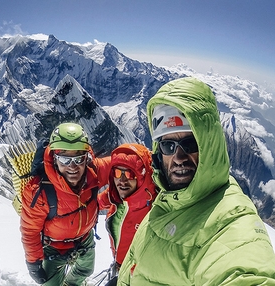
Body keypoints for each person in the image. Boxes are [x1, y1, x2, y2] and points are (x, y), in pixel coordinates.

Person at [118, 77, 275, 285]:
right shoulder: (168, 199)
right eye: (168, 146)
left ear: (209, 146)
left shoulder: (231, 223)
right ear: (158, 152)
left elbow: (242, 268)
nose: (179, 157)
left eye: (190, 143)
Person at [20, 122, 110, 286]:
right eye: (64, 160)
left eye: (78, 159)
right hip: (53, 247)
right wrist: (33, 262)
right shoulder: (38, 191)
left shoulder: (93, 171)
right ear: (54, 159)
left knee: (85, 271)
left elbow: (122, 162)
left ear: (86, 158)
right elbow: (30, 230)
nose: (73, 167)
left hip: (84, 239)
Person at [97, 143, 157, 281]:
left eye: (130, 174)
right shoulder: (115, 197)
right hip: (119, 267)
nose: (122, 180)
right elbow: (92, 204)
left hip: (140, 277)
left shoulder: (155, 206)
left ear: (141, 177)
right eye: (118, 173)